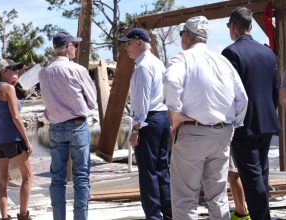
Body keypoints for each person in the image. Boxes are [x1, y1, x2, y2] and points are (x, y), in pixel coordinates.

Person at [163, 16, 248, 220]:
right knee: (217, 195)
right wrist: (233, 124)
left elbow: (170, 79)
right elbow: (242, 97)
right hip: (221, 133)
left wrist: (174, 114)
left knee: (185, 198)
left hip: (193, 132)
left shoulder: (183, 58)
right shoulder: (222, 61)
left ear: (187, 36)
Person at [222, 7, 281, 220]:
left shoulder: (231, 52)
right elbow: (274, 91)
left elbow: (229, 93)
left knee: (252, 177)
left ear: (234, 27)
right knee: (261, 173)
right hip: (266, 121)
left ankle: (261, 217)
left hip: (244, 124)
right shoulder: (267, 53)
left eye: (229, 27)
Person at [38, 31, 97, 220]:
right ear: (68, 47)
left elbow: (47, 104)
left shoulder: (44, 73)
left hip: (55, 127)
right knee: (81, 178)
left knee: (57, 179)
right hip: (77, 126)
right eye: (75, 45)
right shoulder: (77, 70)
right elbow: (93, 101)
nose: (76, 49)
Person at [118, 28, 172, 220]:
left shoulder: (142, 66)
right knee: (163, 170)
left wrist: (135, 128)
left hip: (149, 120)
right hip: (163, 117)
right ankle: (169, 214)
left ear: (139, 42)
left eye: (128, 43)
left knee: (148, 174)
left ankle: (154, 217)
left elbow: (141, 101)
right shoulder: (158, 62)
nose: (126, 48)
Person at [0, 59, 33, 220]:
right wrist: (27, 141)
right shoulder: (8, 88)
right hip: (13, 139)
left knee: (2, 182)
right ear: (3, 72)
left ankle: (4, 217)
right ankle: (23, 215)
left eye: (17, 69)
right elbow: (16, 117)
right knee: (27, 177)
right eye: (12, 69)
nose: (16, 72)